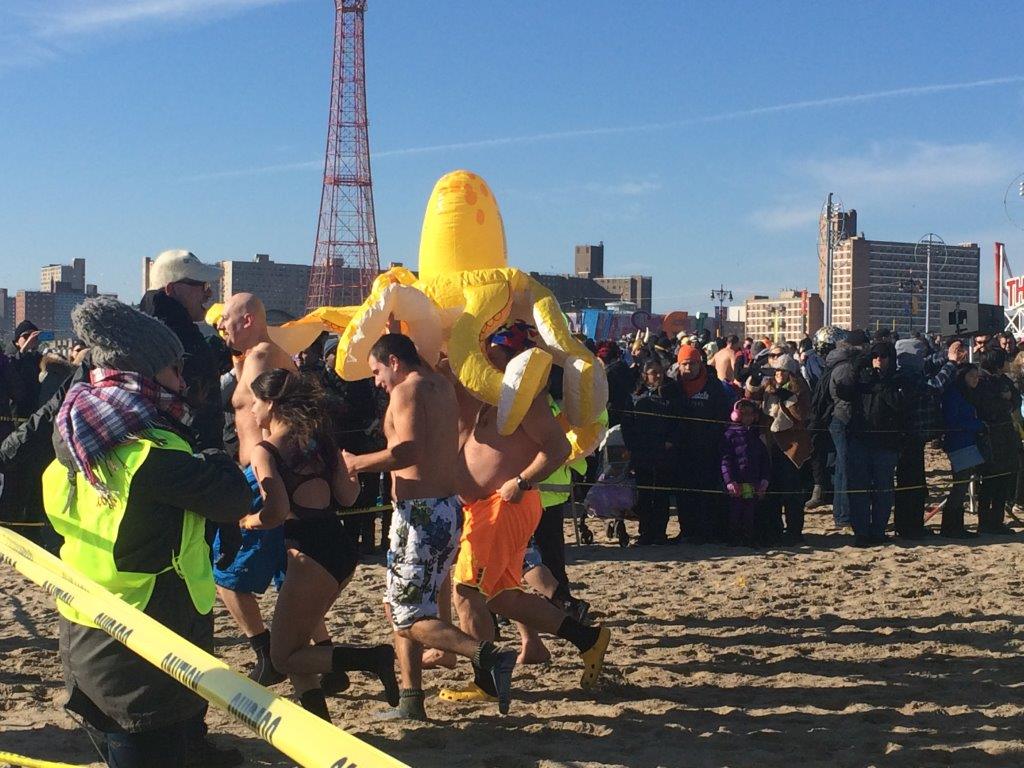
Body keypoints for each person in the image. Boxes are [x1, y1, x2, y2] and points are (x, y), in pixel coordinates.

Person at [43, 298, 251, 768]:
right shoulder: (151, 454)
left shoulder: (77, 436)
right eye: (175, 372)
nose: (182, 384)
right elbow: (232, 496)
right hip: (145, 645)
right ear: (144, 375)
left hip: (90, 631)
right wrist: (213, 451)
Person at [340, 333, 517, 720]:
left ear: (395, 362)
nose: (376, 381)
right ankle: (411, 699)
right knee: (402, 606)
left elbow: (407, 450)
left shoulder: (408, 389)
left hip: (419, 513)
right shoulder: (442, 384)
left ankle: (488, 655)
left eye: (376, 371)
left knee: (405, 614)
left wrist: (356, 463)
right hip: (444, 507)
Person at [442, 324, 611, 706]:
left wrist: (522, 481)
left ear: (512, 357)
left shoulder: (527, 399)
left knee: (466, 590)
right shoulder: (491, 394)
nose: (485, 357)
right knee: (502, 596)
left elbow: (555, 448)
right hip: (485, 507)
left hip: (504, 505)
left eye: (494, 352)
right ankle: (589, 639)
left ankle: (486, 681)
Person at [241, 368, 397, 721]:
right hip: (340, 547)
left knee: (282, 657)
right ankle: (320, 722)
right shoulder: (321, 440)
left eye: (255, 402)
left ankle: (371, 658)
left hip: (310, 554)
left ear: (271, 404)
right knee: (295, 645)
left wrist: (248, 521)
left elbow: (276, 511)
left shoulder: (265, 450)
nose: (252, 410)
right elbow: (349, 494)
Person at [212, 293, 297, 684]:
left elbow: (281, 420)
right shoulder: (254, 358)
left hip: (263, 472)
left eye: (227, 319)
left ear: (247, 319)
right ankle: (318, 658)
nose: (222, 326)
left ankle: (265, 651)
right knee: (289, 573)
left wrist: (268, 467)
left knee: (225, 569)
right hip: (265, 469)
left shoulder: (263, 357)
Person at [140, 249, 224, 451]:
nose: (209, 292)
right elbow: (199, 415)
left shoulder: (136, 332)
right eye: (201, 285)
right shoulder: (176, 340)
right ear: (171, 289)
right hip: (186, 458)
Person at [892, 338, 961, 539]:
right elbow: (935, 385)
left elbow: (929, 362)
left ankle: (912, 524)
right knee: (911, 485)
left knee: (917, 483)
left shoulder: (910, 370)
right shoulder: (907, 377)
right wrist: (951, 363)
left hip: (915, 437)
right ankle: (908, 527)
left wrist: (948, 353)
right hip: (910, 436)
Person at [841, 341, 902, 547]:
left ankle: (878, 531)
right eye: (875, 356)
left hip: (886, 442)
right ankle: (861, 532)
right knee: (858, 488)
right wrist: (857, 368)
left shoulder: (896, 378)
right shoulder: (862, 378)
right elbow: (843, 391)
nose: (878, 360)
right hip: (860, 439)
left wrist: (882, 383)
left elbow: (898, 404)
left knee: (883, 489)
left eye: (883, 356)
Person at [747, 353, 812, 543]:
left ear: (790, 372)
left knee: (791, 492)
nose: (778, 375)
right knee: (771, 492)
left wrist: (786, 397)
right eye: (776, 371)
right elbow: (751, 395)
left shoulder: (800, 387)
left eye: (782, 371)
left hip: (791, 448)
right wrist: (754, 378)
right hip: (769, 445)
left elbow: (801, 415)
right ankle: (774, 529)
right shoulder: (769, 386)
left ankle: (794, 531)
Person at [673, 343, 733, 542]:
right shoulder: (674, 385)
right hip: (681, 449)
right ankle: (687, 531)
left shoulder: (713, 385)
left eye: (692, 364)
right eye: (684, 364)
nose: (688, 369)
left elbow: (723, 414)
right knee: (684, 493)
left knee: (707, 492)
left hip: (708, 448)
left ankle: (707, 531)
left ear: (700, 364)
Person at [621, 359, 680, 545]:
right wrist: (631, 447)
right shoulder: (634, 396)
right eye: (653, 372)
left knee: (661, 494)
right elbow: (627, 424)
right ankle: (645, 532)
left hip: (663, 450)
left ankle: (660, 532)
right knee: (645, 493)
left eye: (660, 372)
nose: (658, 375)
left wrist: (671, 441)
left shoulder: (670, 394)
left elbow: (677, 420)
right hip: (642, 451)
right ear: (645, 375)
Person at [825, 329, 869, 527]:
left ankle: (844, 513)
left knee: (845, 467)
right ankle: (843, 515)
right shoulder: (846, 366)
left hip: (843, 418)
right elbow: (845, 394)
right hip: (843, 418)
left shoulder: (843, 363)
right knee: (844, 468)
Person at [974, 348, 1020, 534]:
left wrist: (1009, 399)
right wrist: (1005, 402)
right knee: (989, 481)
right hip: (990, 437)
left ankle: (997, 521)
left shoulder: (1004, 380)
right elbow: (988, 407)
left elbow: (1016, 399)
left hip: (1006, 436)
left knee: (1003, 480)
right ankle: (985, 522)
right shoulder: (983, 381)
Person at [940, 365, 985, 538]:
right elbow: (953, 421)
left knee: (963, 484)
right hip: (959, 443)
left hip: (969, 442)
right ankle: (950, 527)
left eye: (977, 376)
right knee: (959, 486)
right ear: (963, 376)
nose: (976, 379)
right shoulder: (954, 393)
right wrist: (978, 425)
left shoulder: (969, 393)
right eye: (972, 376)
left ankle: (956, 526)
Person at [719, 399, 770, 546]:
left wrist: (764, 481)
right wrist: (729, 481)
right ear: (736, 415)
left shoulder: (757, 436)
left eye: (751, 414)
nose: (748, 417)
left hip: (752, 482)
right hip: (736, 483)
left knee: (750, 511)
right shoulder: (729, 435)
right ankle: (734, 537)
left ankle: (749, 537)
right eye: (744, 414)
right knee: (735, 511)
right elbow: (725, 461)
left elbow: (764, 461)